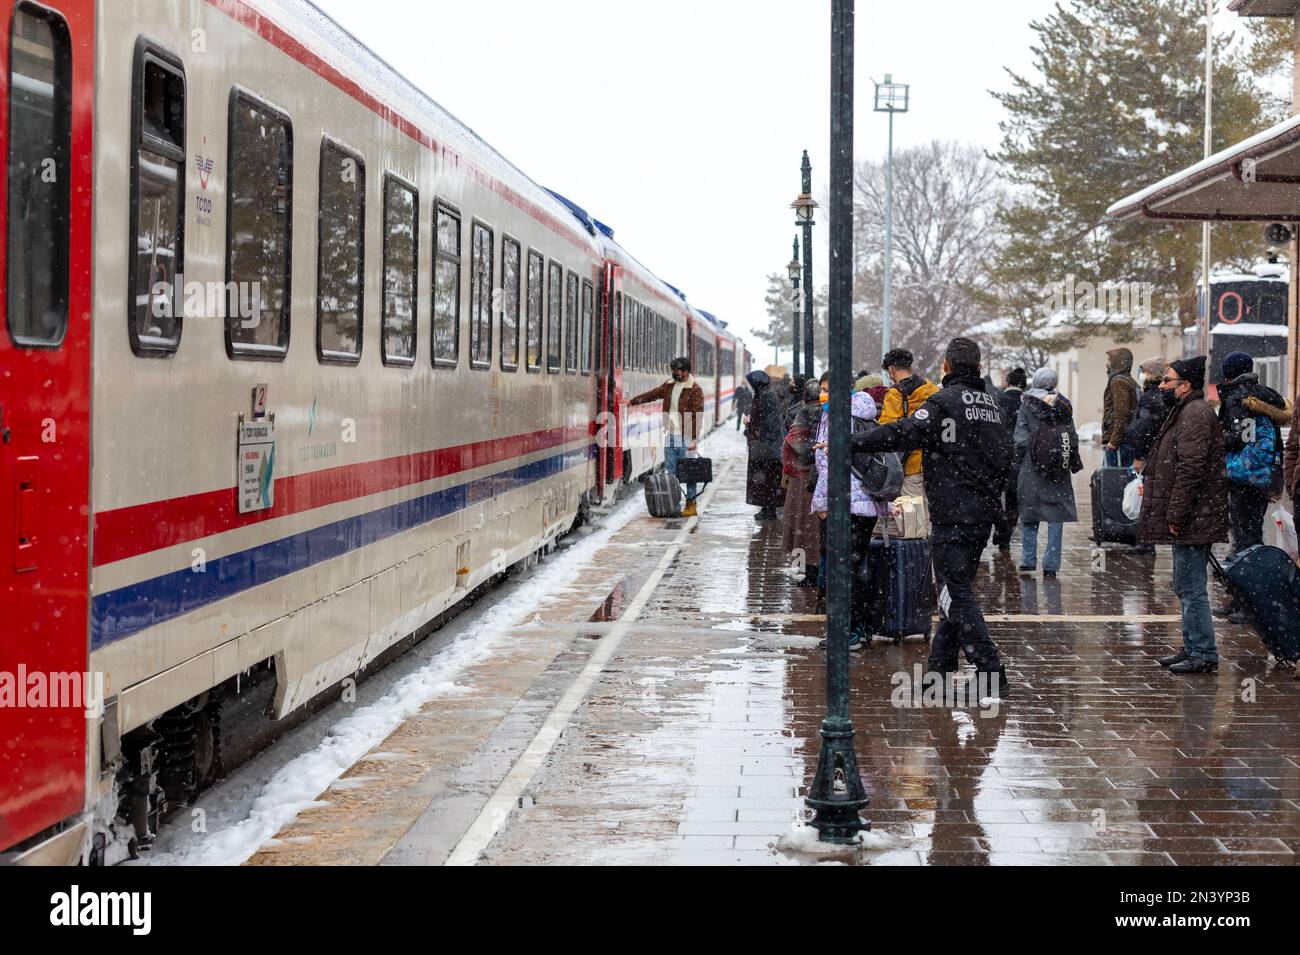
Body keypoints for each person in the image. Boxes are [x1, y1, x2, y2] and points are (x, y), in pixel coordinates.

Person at [850, 337, 1014, 693]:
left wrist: (855, 441)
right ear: (979, 367)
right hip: (981, 513)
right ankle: (939, 671)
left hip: (953, 513)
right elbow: (1006, 457)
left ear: (947, 366)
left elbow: (904, 431)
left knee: (954, 592)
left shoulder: (944, 402)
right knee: (955, 591)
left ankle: (990, 670)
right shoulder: (994, 404)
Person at [1136, 356, 1229, 674]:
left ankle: (1203, 652)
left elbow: (1191, 469)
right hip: (1192, 516)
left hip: (1194, 517)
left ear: (1186, 385)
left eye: (1167, 381)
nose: (1161, 386)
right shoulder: (1186, 410)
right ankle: (1192, 646)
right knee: (1184, 586)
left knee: (1191, 589)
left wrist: (1176, 514)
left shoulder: (1195, 414)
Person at [1213, 352, 1290, 620]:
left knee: (1246, 539)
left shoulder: (1238, 397)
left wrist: (1215, 437)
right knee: (1249, 535)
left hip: (1244, 477)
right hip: (1260, 477)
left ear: (1228, 372)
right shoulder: (1264, 394)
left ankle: (1250, 602)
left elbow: (1240, 438)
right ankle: (1241, 598)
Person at [811, 381, 881, 649]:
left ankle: (845, 633)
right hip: (865, 506)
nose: (821, 394)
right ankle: (859, 628)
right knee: (857, 568)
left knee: (841, 573)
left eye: (827, 388)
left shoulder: (837, 417)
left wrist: (821, 505)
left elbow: (829, 467)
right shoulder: (865, 412)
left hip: (843, 506)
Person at [1013, 368, 1081, 578]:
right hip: (1057, 467)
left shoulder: (1026, 403)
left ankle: (1028, 560)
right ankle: (1051, 564)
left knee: (1029, 515)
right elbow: (1072, 434)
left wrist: (1026, 455)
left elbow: (1020, 437)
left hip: (1032, 466)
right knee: (1056, 516)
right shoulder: (1063, 404)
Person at [629, 356, 706, 517]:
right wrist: (634, 401)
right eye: (673, 370)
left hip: (685, 437)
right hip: (670, 435)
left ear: (685, 372)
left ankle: (691, 504)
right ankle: (674, 504)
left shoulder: (695, 389)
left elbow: (697, 416)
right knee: (671, 472)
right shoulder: (670, 385)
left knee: (688, 473)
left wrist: (693, 439)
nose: (674, 373)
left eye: (676, 370)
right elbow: (653, 394)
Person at [1122, 357, 1170, 556]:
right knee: (1151, 497)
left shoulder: (1150, 397)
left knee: (1147, 498)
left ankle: (1146, 541)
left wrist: (1138, 454)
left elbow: (1144, 428)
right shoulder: (1163, 395)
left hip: (1150, 453)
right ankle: (1147, 539)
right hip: (1160, 452)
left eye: (1144, 371)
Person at [878, 348, 939, 501]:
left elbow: (887, 429)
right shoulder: (931, 388)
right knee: (929, 513)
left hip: (911, 463)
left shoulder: (895, 393)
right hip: (935, 461)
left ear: (891, 370)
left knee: (911, 513)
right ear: (910, 367)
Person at [782, 380, 822, 586]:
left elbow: (794, 441)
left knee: (802, 528)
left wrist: (814, 453)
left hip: (804, 479)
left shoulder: (805, 412)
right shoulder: (826, 410)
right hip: (816, 477)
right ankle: (814, 571)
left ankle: (806, 572)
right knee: (812, 529)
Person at [991, 367, 1026, 551]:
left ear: (1008, 382)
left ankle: (999, 524)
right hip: (1019, 456)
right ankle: (1007, 531)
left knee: (995, 494)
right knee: (1014, 498)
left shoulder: (999, 400)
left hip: (999, 453)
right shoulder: (1027, 402)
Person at [744, 369, 785, 520]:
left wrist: (758, 434)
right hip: (763, 445)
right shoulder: (763, 394)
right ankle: (765, 508)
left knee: (767, 480)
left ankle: (769, 510)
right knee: (764, 480)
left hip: (767, 447)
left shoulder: (766, 396)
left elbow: (770, 423)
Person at [1102, 347, 1139, 468]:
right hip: (1126, 440)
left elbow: (1122, 414)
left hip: (1120, 443)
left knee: (1113, 481)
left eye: (1109, 360)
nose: (1106, 364)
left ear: (1117, 362)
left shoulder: (1119, 382)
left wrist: (1114, 441)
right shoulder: (1127, 380)